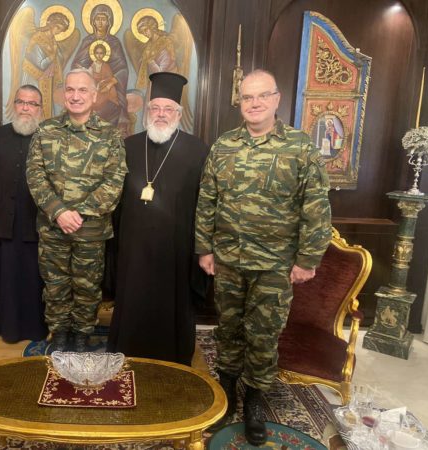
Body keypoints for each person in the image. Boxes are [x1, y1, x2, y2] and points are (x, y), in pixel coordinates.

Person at [194, 69, 332, 444]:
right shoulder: (224, 146)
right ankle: (226, 393)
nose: (254, 104)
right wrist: (204, 248)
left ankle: (254, 400)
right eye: (247, 97)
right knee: (228, 329)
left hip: (274, 265)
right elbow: (207, 200)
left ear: (276, 99)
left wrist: (307, 259)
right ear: (239, 102)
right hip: (228, 260)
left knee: (264, 335)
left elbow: (316, 207)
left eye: (261, 96)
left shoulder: (300, 147)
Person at [107, 72, 208, 366]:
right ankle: (127, 352)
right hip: (133, 245)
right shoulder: (128, 146)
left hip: (176, 247)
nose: (161, 114)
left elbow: (206, 202)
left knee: (172, 303)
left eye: (168, 109)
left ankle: (172, 358)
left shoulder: (197, 150)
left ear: (178, 114)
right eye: (155, 108)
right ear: (147, 112)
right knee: (133, 297)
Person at [27, 68, 127, 353]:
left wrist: (79, 214)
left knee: (87, 286)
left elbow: (114, 181)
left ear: (94, 96)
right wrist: (59, 212)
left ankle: (82, 335)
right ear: (63, 95)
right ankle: (59, 334)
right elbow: (35, 175)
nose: (76, 96)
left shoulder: (110, 135)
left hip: (91, 229)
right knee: (55, 284)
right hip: (53, 226)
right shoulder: (46, 131)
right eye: (70, 89)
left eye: (83, 90)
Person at [0, 84, 48, 343]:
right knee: (2, 277)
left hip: (35, 222)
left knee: (32, 278)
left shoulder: (48, 138)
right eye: (21, 102)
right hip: (2, 219)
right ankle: (0, 325)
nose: (26, 108)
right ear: (14, 105)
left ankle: (33, 328)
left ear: (40, 109)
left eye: (32, 103)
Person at [72, 4, 129, 131]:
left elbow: (122, 68)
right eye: (97, 19)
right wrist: (86, 74)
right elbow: (77, 64)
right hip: (88, 86)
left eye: (103, 19)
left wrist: (111, 82)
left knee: (110, 108)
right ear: (93, 21)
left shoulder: (114, 42)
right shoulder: (87, 41)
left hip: (108, 86)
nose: (100, 22)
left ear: (109, 22)